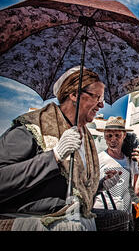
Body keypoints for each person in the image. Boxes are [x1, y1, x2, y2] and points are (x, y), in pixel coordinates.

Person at [0, 66, 120, 231]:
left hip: (73, 217)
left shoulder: (84, 139)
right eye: (97, 97)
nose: (101, 105)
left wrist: (99, 186)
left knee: (120, 218)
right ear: (74, 95)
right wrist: (54, 156)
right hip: (34, 220)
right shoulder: (32, 128)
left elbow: (69, 189)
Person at [93, 116, 139, 229]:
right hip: (103, 219)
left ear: (124, 135)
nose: (113, 139)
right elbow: (90, 190)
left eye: (117, 135)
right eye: (109, 135)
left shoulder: (130, 161)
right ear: (104, 137)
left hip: (125, 220)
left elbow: (137, 194)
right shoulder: (98, 159)